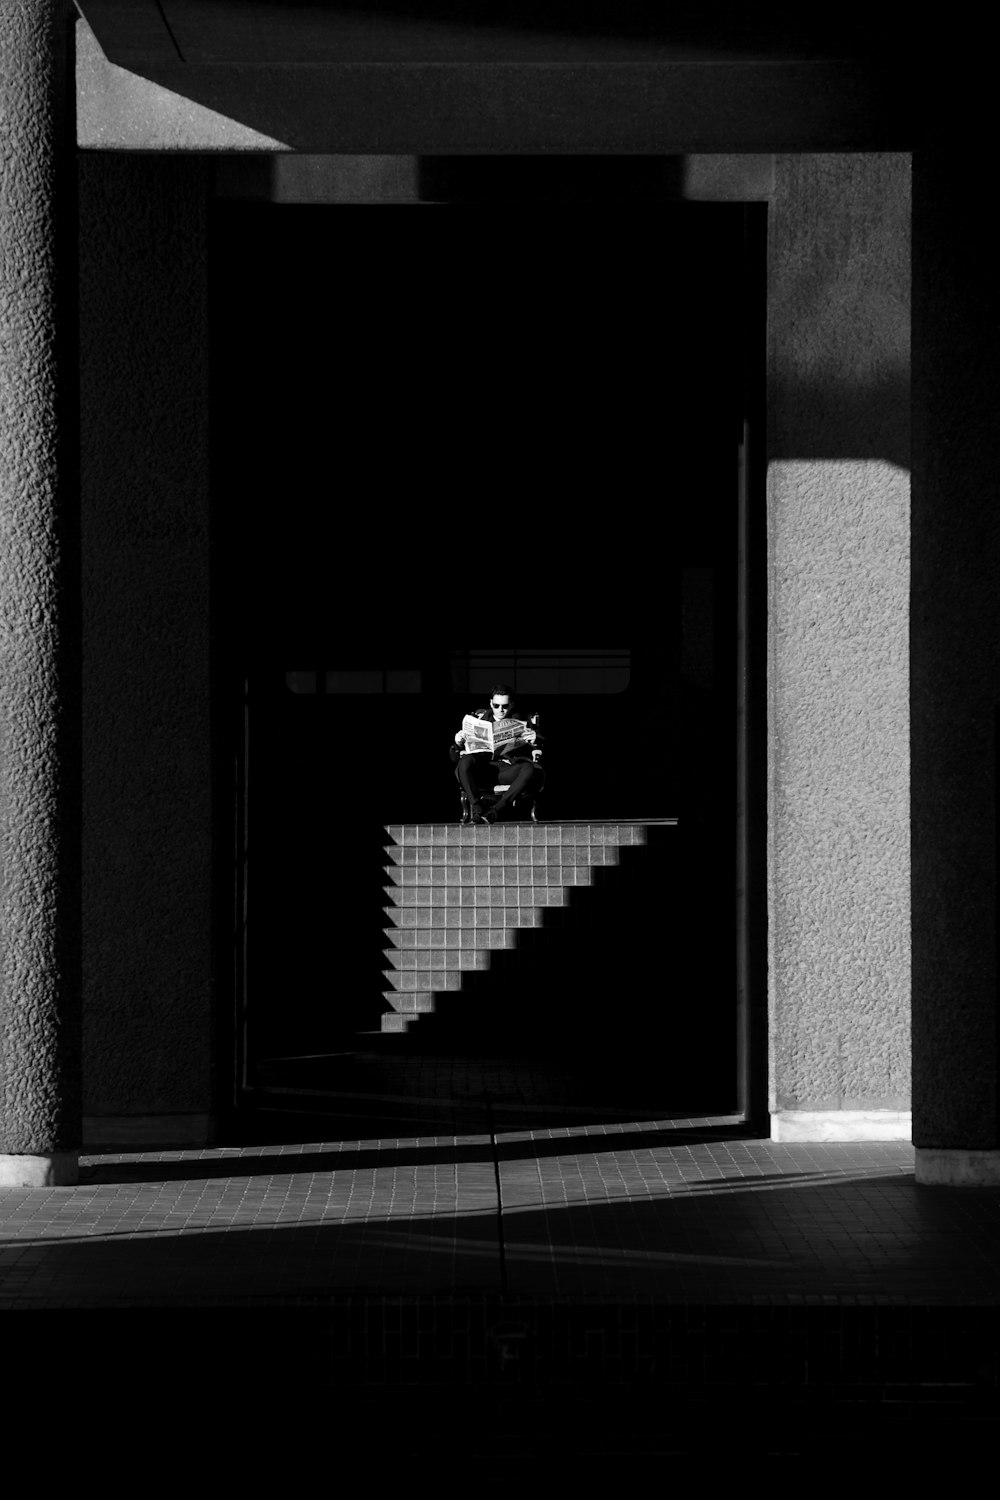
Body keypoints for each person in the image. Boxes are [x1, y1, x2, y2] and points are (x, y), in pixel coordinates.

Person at [450, 683, 545, 823]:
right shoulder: (478, 720)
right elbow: (454, 758)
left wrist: (535, 738)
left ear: (511, 704)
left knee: (529, 769)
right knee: (464, 763)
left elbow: (541, 742)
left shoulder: (521, 720)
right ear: (491, 703)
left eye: (505, 706)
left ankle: (496, 810)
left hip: (507, 770)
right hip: (484, 769)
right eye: (496, 705)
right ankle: (479, 810)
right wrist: (457, 744)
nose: (500, 710)